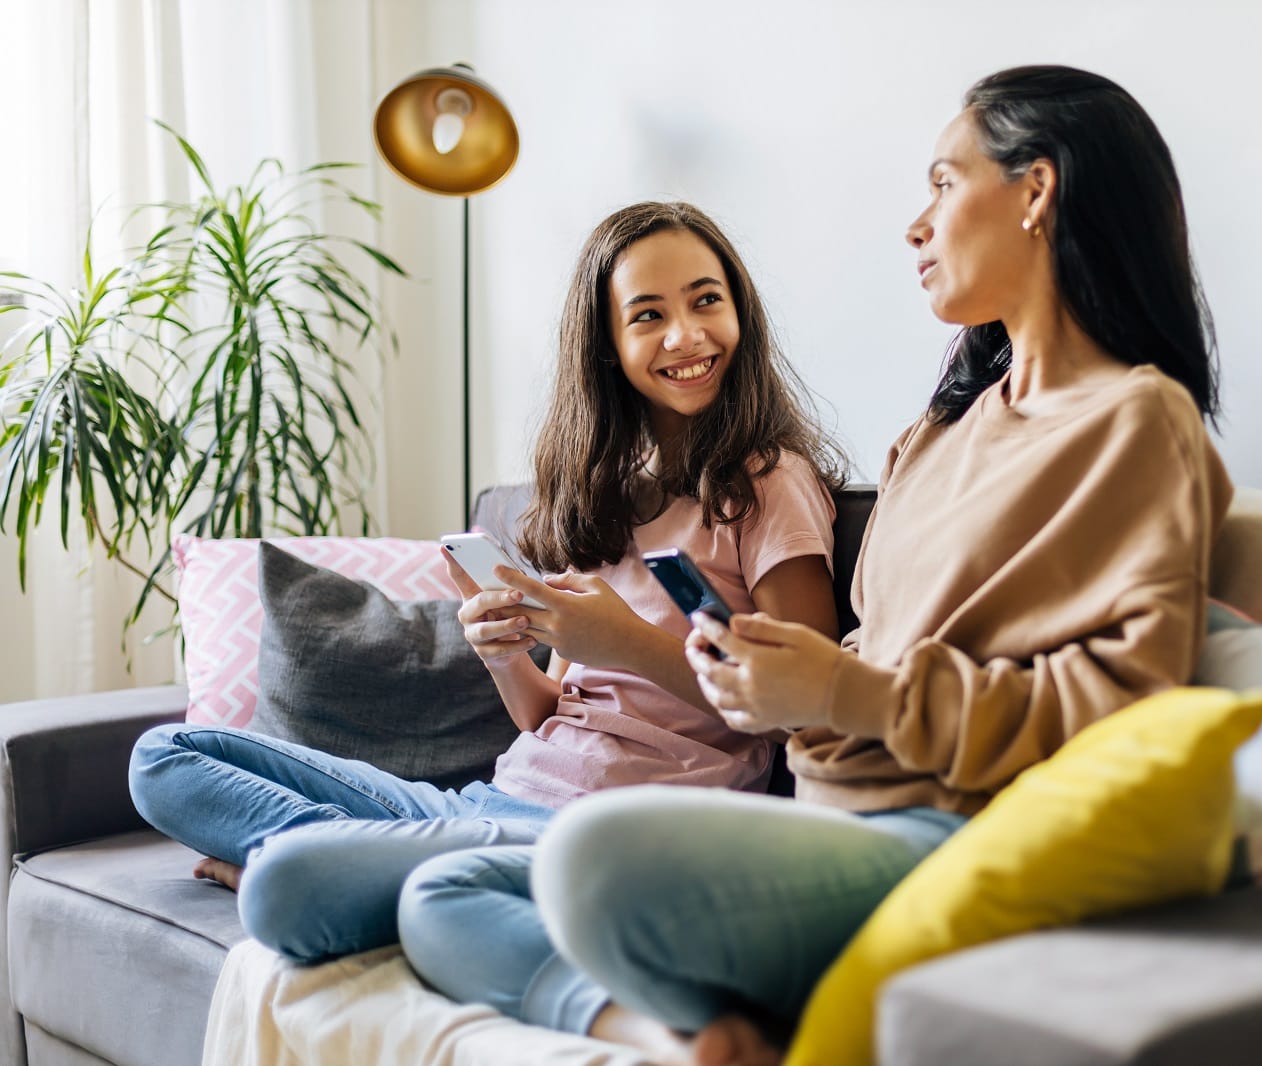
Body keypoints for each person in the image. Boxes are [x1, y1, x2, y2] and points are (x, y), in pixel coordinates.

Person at [405, 64, 1234, 1066]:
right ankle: (698, 1035)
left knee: (580, 861)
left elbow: (1125, 707)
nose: (915, 225)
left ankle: (687, 1013)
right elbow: (858, 659)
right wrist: (775, 679)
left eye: (940, 182)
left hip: (942, 828)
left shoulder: (1136, 419)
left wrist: (846, 689)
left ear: (1036, 189)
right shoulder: (935, 437)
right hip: (833, 811)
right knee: (443, 895)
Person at [126, 200, 850, 971]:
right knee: (163, 757)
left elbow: (803, 716)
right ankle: (362, 863)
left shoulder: (769, 482)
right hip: (491, 802)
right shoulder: (607, 495)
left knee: (282, 891)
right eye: (648, 315)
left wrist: (626, 643)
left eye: (707, 300)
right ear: (607, 346)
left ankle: (334, 867)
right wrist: (506, 655)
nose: (685, 335)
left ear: (740, 310)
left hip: (604, 832)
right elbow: (544, 718)